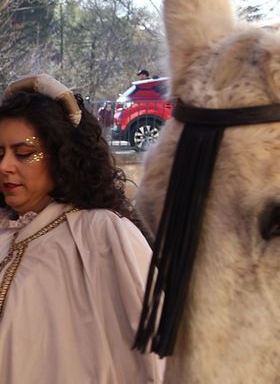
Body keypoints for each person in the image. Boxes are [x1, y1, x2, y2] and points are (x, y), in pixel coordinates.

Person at [0, 74, 163, 383]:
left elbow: (153, 358)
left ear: (62, 155)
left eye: (23, 153)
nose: (5, 166)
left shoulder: (102, 234)